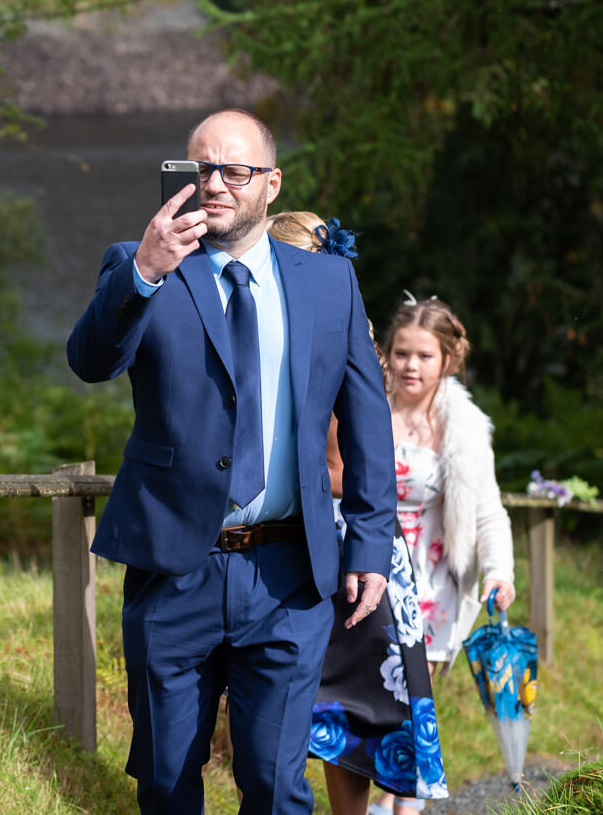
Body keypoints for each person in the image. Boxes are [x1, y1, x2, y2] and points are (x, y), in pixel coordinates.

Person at [67, 110, 397, 815]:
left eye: (235, 170)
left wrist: (369, 539)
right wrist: (147, 272)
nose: (215, 184)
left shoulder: (328, 283)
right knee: (165, 781)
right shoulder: (140, 263)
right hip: (172, 570)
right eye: (200, 169)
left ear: (270, 184)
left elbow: (367, 418)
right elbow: (89, 360)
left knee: (277, 786)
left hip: (288, 576)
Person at [266, 214, 449, 815]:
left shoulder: (334, 347)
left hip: (348, 542)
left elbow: (349, 466)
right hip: (342, 541)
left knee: (354, 710)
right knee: (339, 712)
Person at [362, 295, 515, 815]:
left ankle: (403, 803)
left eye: (424, 356)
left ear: (447, 360)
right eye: (401, 352)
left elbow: (489, 512)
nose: (410, 365)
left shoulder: (466, 429)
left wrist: (499, 573)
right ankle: (385, 793)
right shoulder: (364, 405)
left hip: (432, 586)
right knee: (373, 697)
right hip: (368, 568)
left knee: (411, 698)